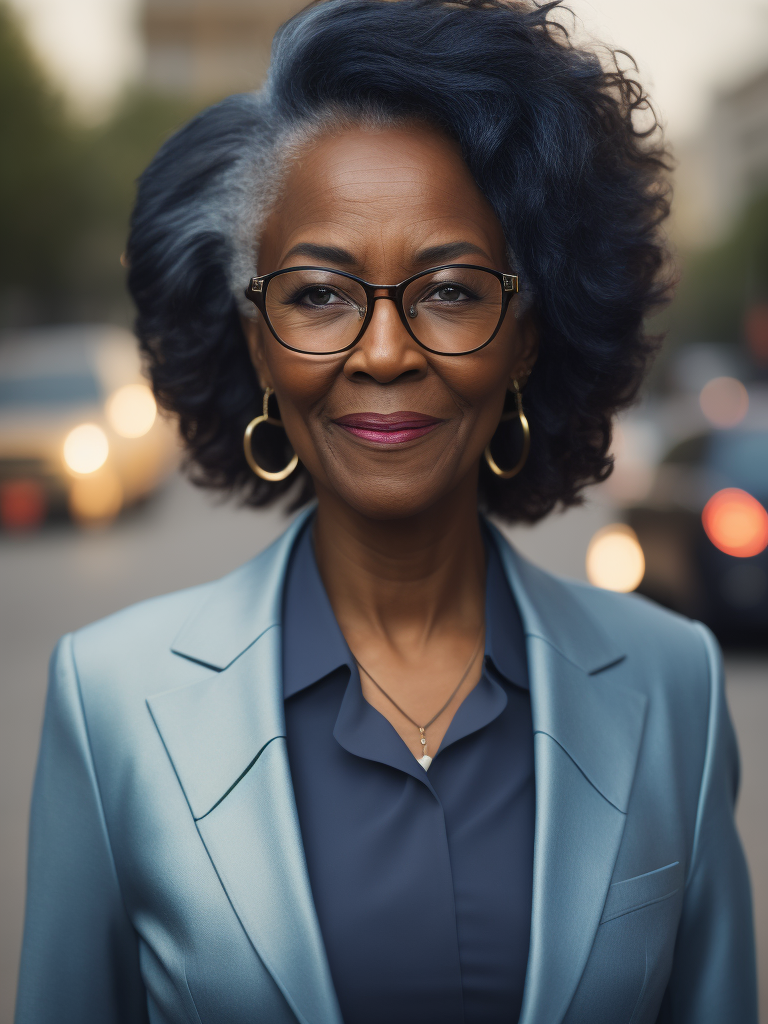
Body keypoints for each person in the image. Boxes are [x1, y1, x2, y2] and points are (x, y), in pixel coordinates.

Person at [15, 1, 758, 1022]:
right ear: (257, 342)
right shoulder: (110, 704)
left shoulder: (675, 687)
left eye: (449, 290)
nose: (383, 352)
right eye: (319, 294)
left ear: (525, 336)